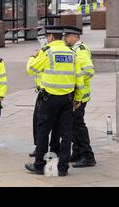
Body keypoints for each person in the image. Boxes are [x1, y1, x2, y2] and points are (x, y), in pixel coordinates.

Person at [25, 26, 85, 177]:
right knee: (66, 133)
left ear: (51, 37)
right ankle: (63, 167)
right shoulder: (72, 53)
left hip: (49, 99)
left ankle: (39, 165)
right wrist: (78, 98)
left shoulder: (47, 51)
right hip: (67, 99)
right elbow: (79, 77)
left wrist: (33, 57)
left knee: (43, 131)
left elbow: (31, 69)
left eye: (47, 37)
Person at [64, 26, 97, 168]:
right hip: (79, 94)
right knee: (73, 124)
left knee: (78, 125)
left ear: (75, 37)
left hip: (80, 95)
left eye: (67, 36)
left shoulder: (80, 50)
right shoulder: (75, 49)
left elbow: (89, 70)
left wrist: (76, 82)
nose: (65, 39)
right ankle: (77, 151)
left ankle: (87, 156)